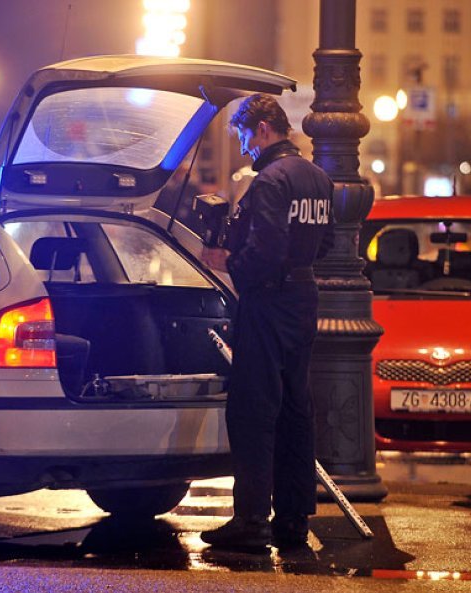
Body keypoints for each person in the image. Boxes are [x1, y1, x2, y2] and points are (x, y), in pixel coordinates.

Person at [199, 94, 334, 551]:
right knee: (297, 408)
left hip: (268, 301)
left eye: (243, 136)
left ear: (262, 128)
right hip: (302, 298)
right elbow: (328, 241)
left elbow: (266, 251)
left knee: (253, 408)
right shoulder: (317, 177)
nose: (243, 148)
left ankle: (252, 519)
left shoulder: (271, 180)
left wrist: (227, 259)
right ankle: (293, 520)